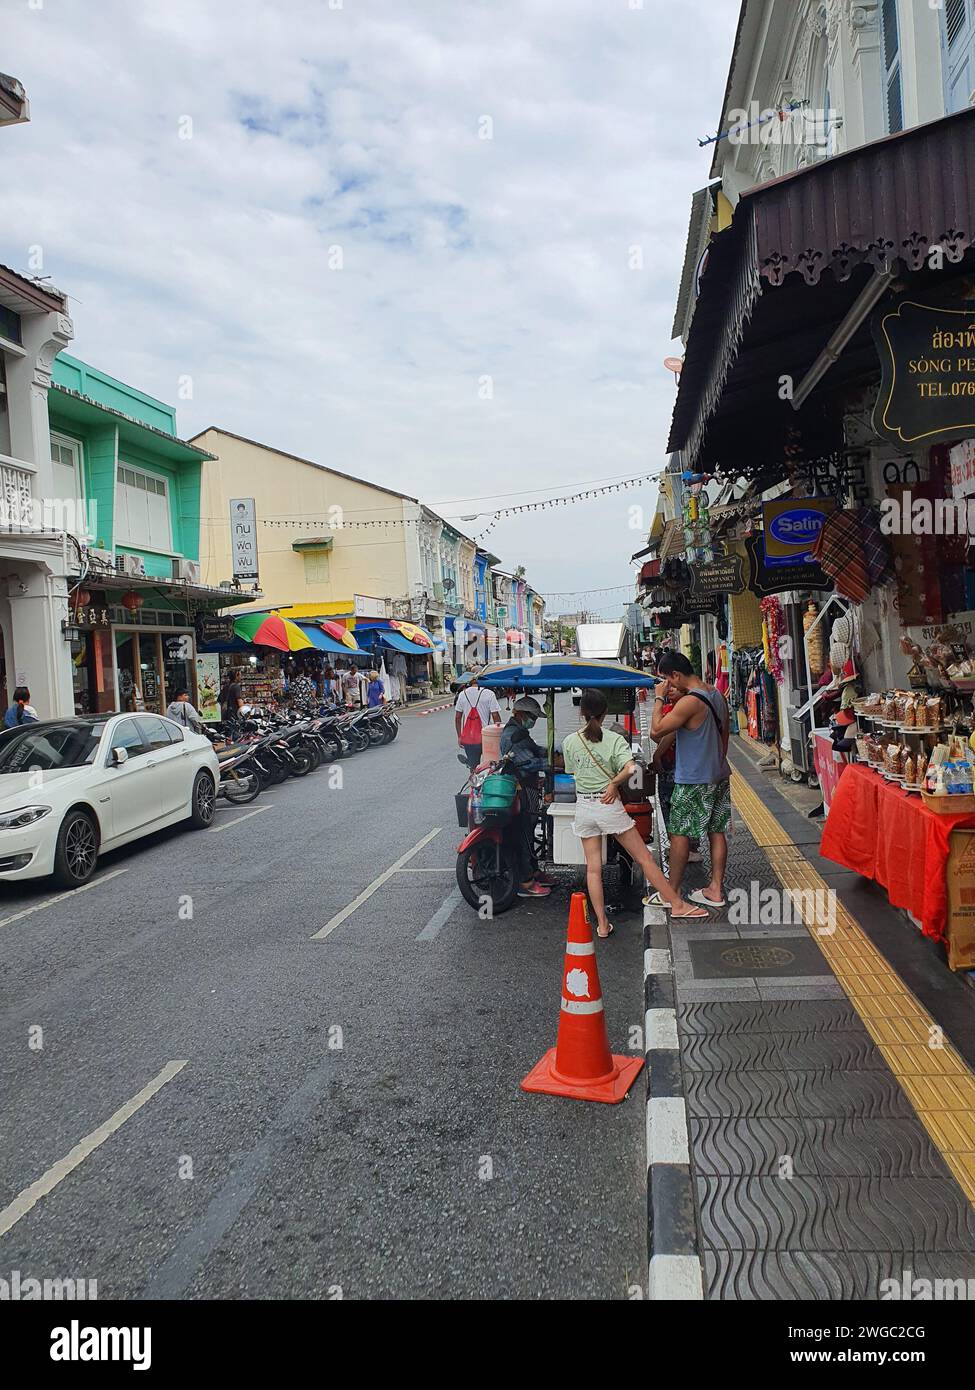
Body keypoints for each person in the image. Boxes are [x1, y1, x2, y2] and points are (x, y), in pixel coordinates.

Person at [563, 689, 708, 937]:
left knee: (593, 869)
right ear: (605, 712)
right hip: (608, 806)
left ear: (581, 712)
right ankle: (677, 904)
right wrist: (612, 784)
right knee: (644, 858)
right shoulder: (613, 740)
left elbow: (573, 773)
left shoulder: (569, 742)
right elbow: (631, 769)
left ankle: (602, 924)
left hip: (584, 807)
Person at [650, 650, 731, 911]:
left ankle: (671, 893)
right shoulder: (716, 694)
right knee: (716, 831)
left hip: (692, 779)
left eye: (667, 679)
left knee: (680, 834)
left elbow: (656, 730)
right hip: (718, 774)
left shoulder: (689, 703)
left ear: (676, 675)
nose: (666, 685)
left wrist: (659, 699)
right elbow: (724, 737)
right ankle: (716, 889)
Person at [500, 695, 556, 898]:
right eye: (533, 717)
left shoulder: (521, 732)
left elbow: (535, 750)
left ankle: (533, 871)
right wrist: (550, 764)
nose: (534, 721)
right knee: (524, 832)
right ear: (522, 714)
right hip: (520, 789)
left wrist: (552, 751)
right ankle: (525, 881)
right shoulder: (512, 735)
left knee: (531, 829)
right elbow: (527, 763)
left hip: (529, 787)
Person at [454, 673, 502, 770]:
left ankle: (474, 783)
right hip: (487, 737)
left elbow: (458, 718)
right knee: (490, 766)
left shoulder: (462, 694)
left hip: (469, 738)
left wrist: (460, 736)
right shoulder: (489, 693)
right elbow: (495, 716)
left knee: (473, 767)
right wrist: (500, 735)